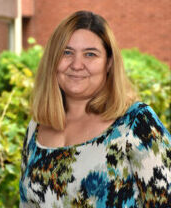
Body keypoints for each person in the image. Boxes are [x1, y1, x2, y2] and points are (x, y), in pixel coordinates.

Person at [19, 11, 171, 208]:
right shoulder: (35, 129)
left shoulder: (136, 123)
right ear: (52, 60)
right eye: (66, 52)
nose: (76, 64)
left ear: (108, 63)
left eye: (90, 54)